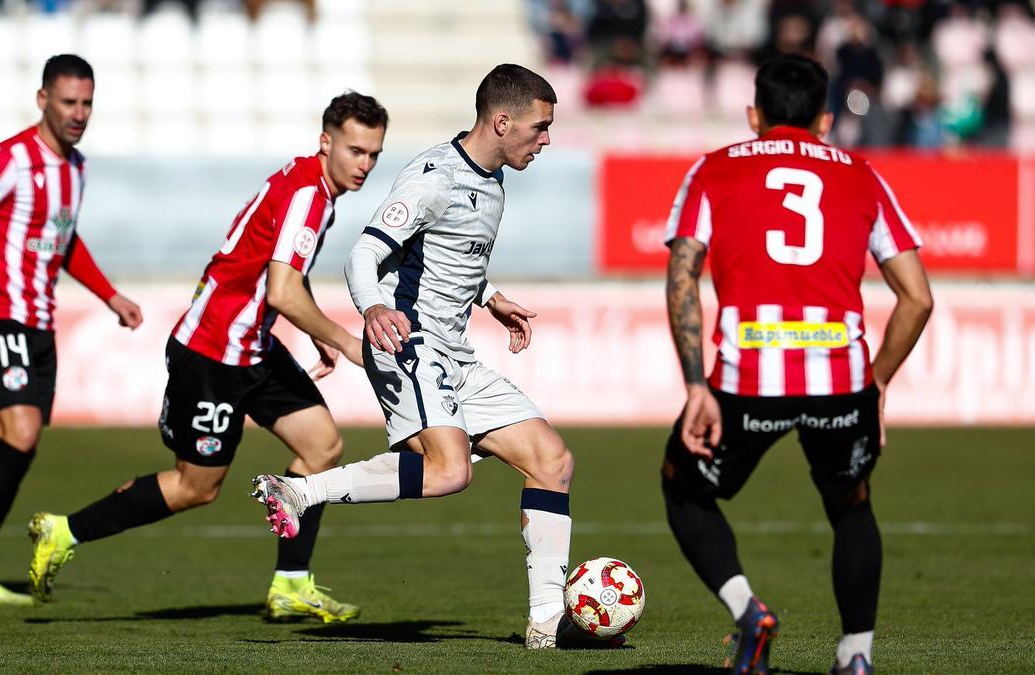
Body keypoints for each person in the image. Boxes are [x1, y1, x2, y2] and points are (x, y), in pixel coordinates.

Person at [250, 64, 609, 650]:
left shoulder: (491, 180)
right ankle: (300, 492)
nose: (546, 140)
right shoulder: (432, 177)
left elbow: (451, 253)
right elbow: (363, 256)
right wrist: (371, 311)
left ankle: (548, 624)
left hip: (454, 351)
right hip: (407, 340)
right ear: (502, 121)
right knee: (450, 472)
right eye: (540, 128)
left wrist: (489, 298)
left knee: (552, 462)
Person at [26, 92, 389, 624]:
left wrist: (311, 339)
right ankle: (64, 532)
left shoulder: (311, 184)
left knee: (322, 446)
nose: (365, 164)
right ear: (326, 141)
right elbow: (283, 291)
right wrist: (342, 340)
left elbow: (285, 272)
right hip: (213, 351)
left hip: (254, 349)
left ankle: (290, 583)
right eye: (356, 150)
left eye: (375, 154)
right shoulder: (308, 195)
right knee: (197, 487)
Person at [660, 54, 933, 674]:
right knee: (851, 506)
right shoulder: (863, 176)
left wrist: (696, 384)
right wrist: (878, 382)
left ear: (753, 114)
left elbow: (682, 278)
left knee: (684, 491)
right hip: (841, 379)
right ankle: (856, 658)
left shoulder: (712, 170)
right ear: (827, 119)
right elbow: (918, 298)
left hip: (747, 377)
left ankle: (749, 613)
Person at [0, 54, 144, 606]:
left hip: (39, 323)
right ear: (42, 99)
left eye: (87, 103)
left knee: (21, 443)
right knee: (18, 433)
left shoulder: (77, 167)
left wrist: (109, 294)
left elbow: (63, 242)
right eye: (69, 102)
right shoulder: (8, 160)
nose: (79, 113)